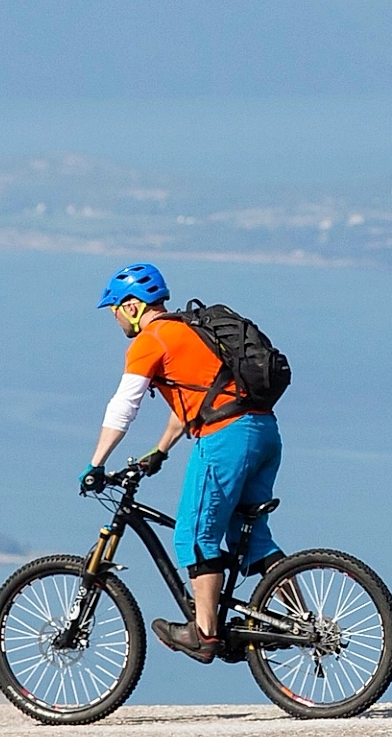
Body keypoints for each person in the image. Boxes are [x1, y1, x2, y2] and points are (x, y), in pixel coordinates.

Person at [87, 262, 280, 664]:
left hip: (225, 438)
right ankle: (301, 619)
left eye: (115, 310)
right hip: (263, 432)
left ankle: (205, 633)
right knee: (252, 539)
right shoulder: (188, 330)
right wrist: (160, 450)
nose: (115, 318)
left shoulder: (150, 339)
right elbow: (196, 400)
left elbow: (124, 406)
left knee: (193, 537)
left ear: (133, 306)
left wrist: (96, 464)